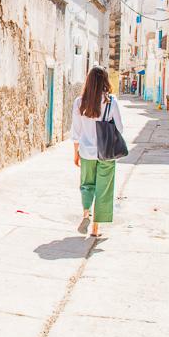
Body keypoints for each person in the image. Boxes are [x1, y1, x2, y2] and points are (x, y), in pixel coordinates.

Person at [72, 66, 124, 237]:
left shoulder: (80, 102)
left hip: (86, 152)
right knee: (104, 189)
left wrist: (76, 153)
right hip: (106, 152)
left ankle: (86, 213)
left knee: (87, 185)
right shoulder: (111, 102)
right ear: (105, 81)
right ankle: (95, 229)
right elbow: (120, 128)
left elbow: (76, 132)